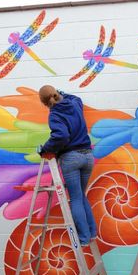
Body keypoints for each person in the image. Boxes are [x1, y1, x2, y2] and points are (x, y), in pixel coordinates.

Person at [38, 85, 96, 246]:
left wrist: (45, 149)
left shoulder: (55, 114)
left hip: (71, 158)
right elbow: (76, 98)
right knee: (81, 196)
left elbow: (61, 136)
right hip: (88, 156)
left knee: (76, 198)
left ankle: (84, 238)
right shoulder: (74, 103)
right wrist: (60, 94)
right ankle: (92, 233)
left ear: (44, 103)